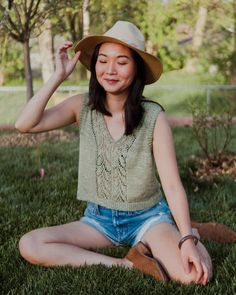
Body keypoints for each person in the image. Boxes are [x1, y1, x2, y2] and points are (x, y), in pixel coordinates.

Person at [15, 20, 213, 285]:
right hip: (98, 222)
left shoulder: (154, 117)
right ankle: (127, 263)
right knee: (31, 244)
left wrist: (188, 240)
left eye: (121, 62)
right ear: (94, 64)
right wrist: (57, 77)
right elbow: (25, 124)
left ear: (136, 68)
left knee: (195, 276)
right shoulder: (81, 107)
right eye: (103, 60)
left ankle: (188, 230)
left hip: (147, 219)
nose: (110, 70)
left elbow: (172, 185)